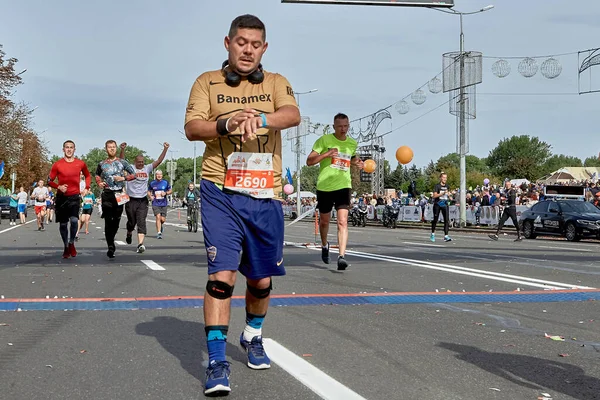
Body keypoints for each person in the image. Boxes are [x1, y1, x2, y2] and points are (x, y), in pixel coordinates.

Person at [183, 14, 300, 395]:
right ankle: (217, 361)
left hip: (265, 194)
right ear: (227, 43)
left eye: (255, 44)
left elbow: (292, 115)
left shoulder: (277, 82)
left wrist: (261, 118)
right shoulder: (207, 82)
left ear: (263, 48)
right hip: (220, 190)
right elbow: (191, 128)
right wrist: (227, 123)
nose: (247, 50)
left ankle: (252, 335)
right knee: (222, 277)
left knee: (261, 280)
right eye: (241, 42)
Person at [306, 113, 363, 271]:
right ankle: (325, 245)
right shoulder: (324, 140)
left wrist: (357, 163)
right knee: (324, 222)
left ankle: (341, 256)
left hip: (343, 185)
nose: (343, 129)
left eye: (346, 126)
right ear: (334, 127)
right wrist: (326, 154)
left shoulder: (352, 143)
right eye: (340, 126)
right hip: (325, 186)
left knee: (342, 221)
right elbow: (309, 161)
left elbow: (350, 159)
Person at [47, 140, 91, 258]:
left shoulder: (80, 163)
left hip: (74, 197)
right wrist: (58, 186)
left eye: (71, 147)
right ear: (63, 149)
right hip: (61, 198)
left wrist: (86, 187)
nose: (69, 149)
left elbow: (87, 175)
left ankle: (71, 242)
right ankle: (66, 246)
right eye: (67, 147)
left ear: (74, 149)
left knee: (74, 221)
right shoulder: (57, 164)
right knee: (63, 224)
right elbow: (49, 180)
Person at [123, 142, 169, 252]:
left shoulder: (147, 168)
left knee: (141, 221)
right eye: (139, 162)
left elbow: (158, 161)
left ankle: (140, 244)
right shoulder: (131, 168)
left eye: (142, 162)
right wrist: (122, 150)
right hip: (131, 199)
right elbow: (122, 161)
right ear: (135, 162)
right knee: (131, 222)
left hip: (142, 200)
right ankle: (129, 232)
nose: (141, 164)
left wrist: (165, 149)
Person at [95, 140, 135, 258]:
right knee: (108, 220)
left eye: (113, 147)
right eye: (109, 147)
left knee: (116, 220)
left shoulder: (122, 162)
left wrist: (123, 178)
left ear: (116, 148)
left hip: (119, 194)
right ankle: (110, 246)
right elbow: (97, 174)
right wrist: (99, 182)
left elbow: (134, 174)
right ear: (106, 149)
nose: (112, 149)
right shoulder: (102, 163)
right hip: (107, 193)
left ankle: (112, 237)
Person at [148, 170, 172, 239]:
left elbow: (170, 190)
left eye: (160, 174)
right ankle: (159, 233)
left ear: (162, 175)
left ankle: (160, 226)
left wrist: (166, 193)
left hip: (163, 203)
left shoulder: (165, 182)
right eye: (158, 174)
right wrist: (150, 196)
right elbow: (148, 191)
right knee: (158, 217)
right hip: (155, 203)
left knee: (162, 219)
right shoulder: (152, 183)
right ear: (156, 175)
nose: (159, 176)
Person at [431, 172, 452, 242]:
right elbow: (434, 196)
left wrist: (450, 196)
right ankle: (433, 233)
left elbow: (449, 195)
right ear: (440, 178)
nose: (445, 179)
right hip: (438, 204)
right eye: (443, 177)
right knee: (435, 220)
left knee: (446, 220)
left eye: (446, 178)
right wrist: (442, 193)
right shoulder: (437, 186)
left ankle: (446, 236)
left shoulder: (447, 186)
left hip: (445, 204)